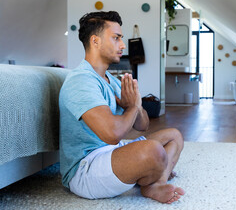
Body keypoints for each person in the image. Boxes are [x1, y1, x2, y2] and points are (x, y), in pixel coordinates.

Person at [59, 11, 185, 204]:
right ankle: (152, 174)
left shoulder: (113, 81)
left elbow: (142, 125)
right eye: (116, 38)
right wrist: (133, 107)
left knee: (174, 135)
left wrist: (136, 106)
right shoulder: (81, 81)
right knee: (153, 151)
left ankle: (154, 183)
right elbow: (112, 134)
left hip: (111, 152)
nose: (123, 45)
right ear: (95, 41)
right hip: (85, 169)